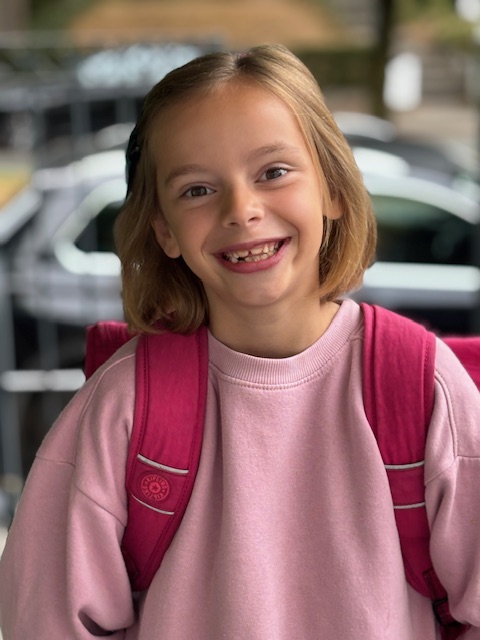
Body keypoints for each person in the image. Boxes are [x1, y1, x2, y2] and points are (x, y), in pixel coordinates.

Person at [0, 43, 479, 640]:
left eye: (273, 173)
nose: (242, 209)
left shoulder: (423, 387)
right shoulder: (123, 405)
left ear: (332, 189)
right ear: (164, 231)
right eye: (197, 190)